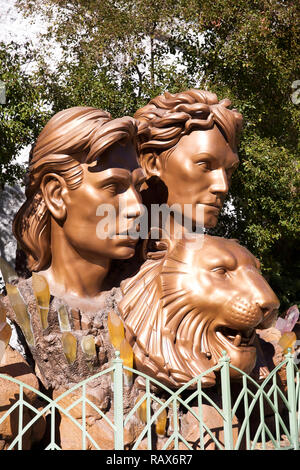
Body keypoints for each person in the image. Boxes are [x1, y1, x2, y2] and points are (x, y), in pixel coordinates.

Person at [13, 106, 145, 308]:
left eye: (137, 187)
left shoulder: (148, 307)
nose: (137, 208)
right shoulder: (12, 317)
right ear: (56, 195)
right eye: (113, 187)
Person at [134, 89, 243, 245]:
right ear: (151, 162)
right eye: (205, 165)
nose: (222, 186)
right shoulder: (105, 256)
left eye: (229, 172)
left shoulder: (221, 265)